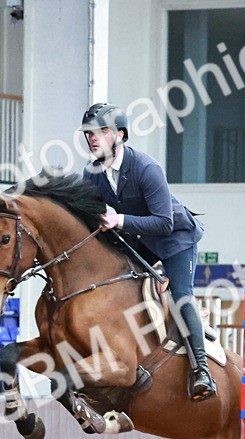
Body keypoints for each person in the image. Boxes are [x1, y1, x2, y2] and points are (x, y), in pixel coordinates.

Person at [78, 102, 215, 402]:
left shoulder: (146, 168)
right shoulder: (92, 174)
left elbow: (164, 223)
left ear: (120, 135)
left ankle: (201, 370)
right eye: (89, 133)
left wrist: (119, 220)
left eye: (101, 131)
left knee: (180, 296)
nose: (93, 138)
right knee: (117, 284)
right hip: (138, 238)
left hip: (174, 237)